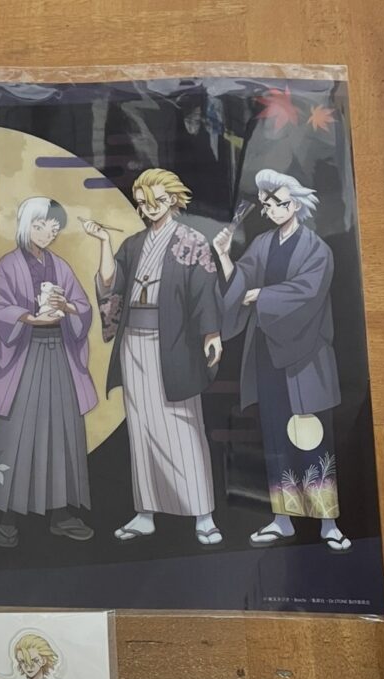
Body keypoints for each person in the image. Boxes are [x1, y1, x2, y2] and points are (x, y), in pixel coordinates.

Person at [214, 169, 350, 553]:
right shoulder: (262, 244)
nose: (273, 210)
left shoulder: (317, 249)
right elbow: (240, 285)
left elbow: (308, 293)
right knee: (275, 434)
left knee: (312, 436)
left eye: (280, 203)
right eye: (268, 205)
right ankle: (283, 519)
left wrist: (262, 296)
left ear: (296, 203)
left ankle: (328, 522)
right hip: (267, 353)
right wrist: (224, 256)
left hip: (306, 357)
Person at [86, 168, 223, 546]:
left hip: (174, 345)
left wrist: (211, 333)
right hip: (134, 344)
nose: (150, 209)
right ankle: (145, 512)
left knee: (184, 427)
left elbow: (205, 291)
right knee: (141, 429)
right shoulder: (133, 244)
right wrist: (103, 243)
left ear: (175, 200)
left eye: (158, 201)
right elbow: (111, 285)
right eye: (144, 203)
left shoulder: (192, 241)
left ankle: (203, 515)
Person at [0, 197, 97, 548]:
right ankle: (7, 518)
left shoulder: (60, 266)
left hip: (59, 357)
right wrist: (29, 317)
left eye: (54, 228)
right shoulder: (9, 264)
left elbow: (83, 307)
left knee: (61, 431)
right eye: (41, 225)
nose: (48, 233)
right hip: (23, 359)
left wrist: (66, 306)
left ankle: (60, 513)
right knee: (17, 432)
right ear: (26, 224)